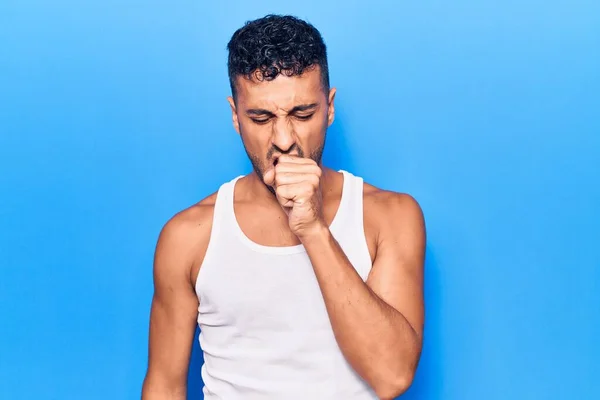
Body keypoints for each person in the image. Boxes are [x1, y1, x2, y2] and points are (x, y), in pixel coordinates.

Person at [141, 14, 425, 400]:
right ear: (235, 116)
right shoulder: (189, 236)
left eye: (302, 114)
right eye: (260, 117)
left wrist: (313, 229)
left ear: (329, 108)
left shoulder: (389, 217)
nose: (284, 140)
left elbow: (392, 376)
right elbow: (164, 386)